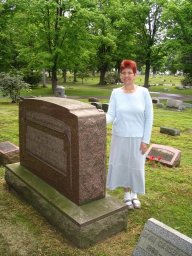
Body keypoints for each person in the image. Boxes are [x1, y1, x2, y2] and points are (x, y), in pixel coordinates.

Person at [106, 59, 153, 209]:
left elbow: (149, 117)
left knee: (136, 166)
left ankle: (134, 193)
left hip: (138, 137)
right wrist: (97, 118)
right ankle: (127, 193)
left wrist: (145, 140)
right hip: (120, 136)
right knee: (123, 165)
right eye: (123, 73)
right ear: (120, 75)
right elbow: (111, 115)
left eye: (129, 73)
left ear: (135, 74)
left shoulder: (144, 92)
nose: (126, 76)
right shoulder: (115, 93)